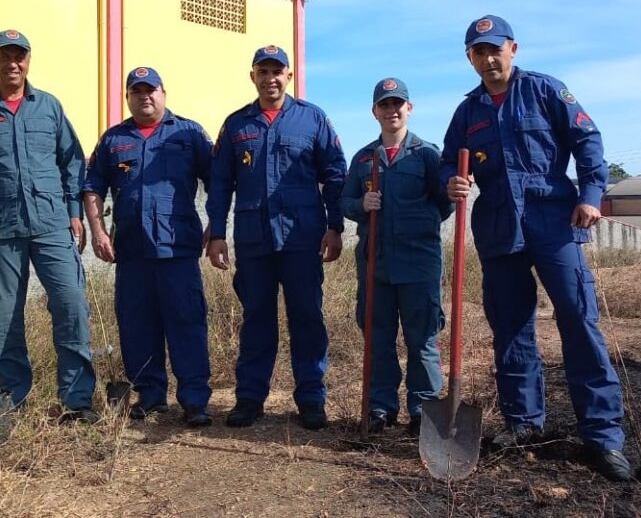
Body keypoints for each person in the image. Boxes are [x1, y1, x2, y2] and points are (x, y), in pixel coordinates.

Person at [440, 15, 631, 481]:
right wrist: (452, 181)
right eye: (477, 52)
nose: (487, 59)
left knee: (578, 322)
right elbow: (448, 159)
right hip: (499, 231)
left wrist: (590, 196)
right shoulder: (468, 112)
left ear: (513, 49)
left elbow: (588, 140)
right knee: (511, 329)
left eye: (494, 49)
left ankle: (603, 436)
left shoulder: (546, 91)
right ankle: (524, 424)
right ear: (469, 58)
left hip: (554, 223)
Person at [0, 29, 98, 424]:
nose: (13, 64)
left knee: (71, 306)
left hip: (51, 225)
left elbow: (72, 162)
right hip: (2, 228)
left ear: (29, 61)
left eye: (19, 57)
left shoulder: (48, 108)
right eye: (4, 57)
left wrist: (73, 211)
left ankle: (76, 401)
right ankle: (11, 402)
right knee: (5, 313)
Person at [205, 44, 347, 430]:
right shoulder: (236, 126)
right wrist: (217, 233)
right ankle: (250, 399)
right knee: (256, 320)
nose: (270, 79)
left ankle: (311, 399)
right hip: (254, 241)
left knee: (307, 318)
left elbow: (334, 173)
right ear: (253, 76)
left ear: (289, 75)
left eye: (277, 71)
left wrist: (335, 226)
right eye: (262, 72)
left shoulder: (311, 119)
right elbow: (220, 184)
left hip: (303, 239)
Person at [82, 66, 214, 427]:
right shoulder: (113, 140)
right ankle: (151, 396)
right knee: (137, 325)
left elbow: (217, 178)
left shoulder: (188, 133)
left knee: (187, 322)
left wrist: (217, 224)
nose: (145, 97)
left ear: (163, 92)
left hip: (178, 250)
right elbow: (92, 187)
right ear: (127, 97)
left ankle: (195, 400)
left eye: (151, 90)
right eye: (136, 91)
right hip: (132, 252)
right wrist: (98, 231)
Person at [341, 78, 452, 437]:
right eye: (384, 105)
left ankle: (424, 411)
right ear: (375, 111)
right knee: (378, 338)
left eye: (398, 104)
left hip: (419, 264)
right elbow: (344, 202)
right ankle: (380, 407)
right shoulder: (362, 159)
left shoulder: (427, 155)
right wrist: (362, 205)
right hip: (376, 264)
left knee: (422, 341)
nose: (392, 110)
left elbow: (445, 204)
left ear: (409, 108)